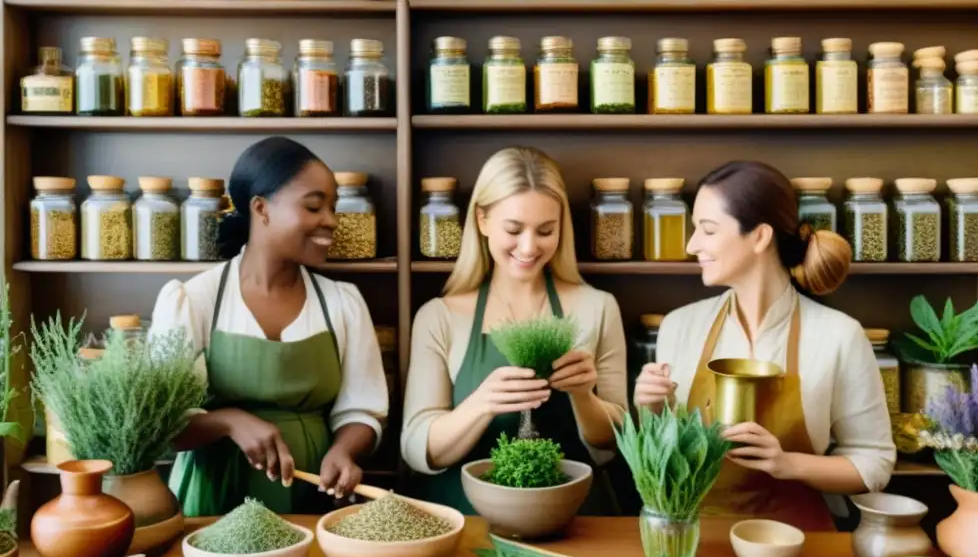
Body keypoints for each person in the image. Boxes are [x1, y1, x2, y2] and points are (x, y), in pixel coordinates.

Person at [634, 160, 895, 530]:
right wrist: (652, 408)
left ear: (759, 237)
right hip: (694, 539)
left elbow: (874, 463)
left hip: (798, 545)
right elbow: (663, 459)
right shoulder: (679, 327)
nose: (692, 245)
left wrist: (788, 464)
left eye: (707, 231)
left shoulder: (839, 335)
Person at [150, 136, 388, 517]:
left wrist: (344, 451)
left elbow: (362, 410)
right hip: (215, 495)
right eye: (314, 206)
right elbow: (162, 427)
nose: (331, 220)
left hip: (310, 494)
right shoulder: (193, 300)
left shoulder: (342, 303)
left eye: (333, 207)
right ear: (261, 208)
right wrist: (229, 422)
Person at [401, 146, 628, 514]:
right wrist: (482, 403)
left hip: (573, 515)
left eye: (545, 231)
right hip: (466, 517)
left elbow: (614, 444)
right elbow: (417, 448)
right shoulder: (439, 316)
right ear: (482, 220)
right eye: (513, 229)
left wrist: (585, 395)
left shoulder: (597, 307)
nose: (528, 246)